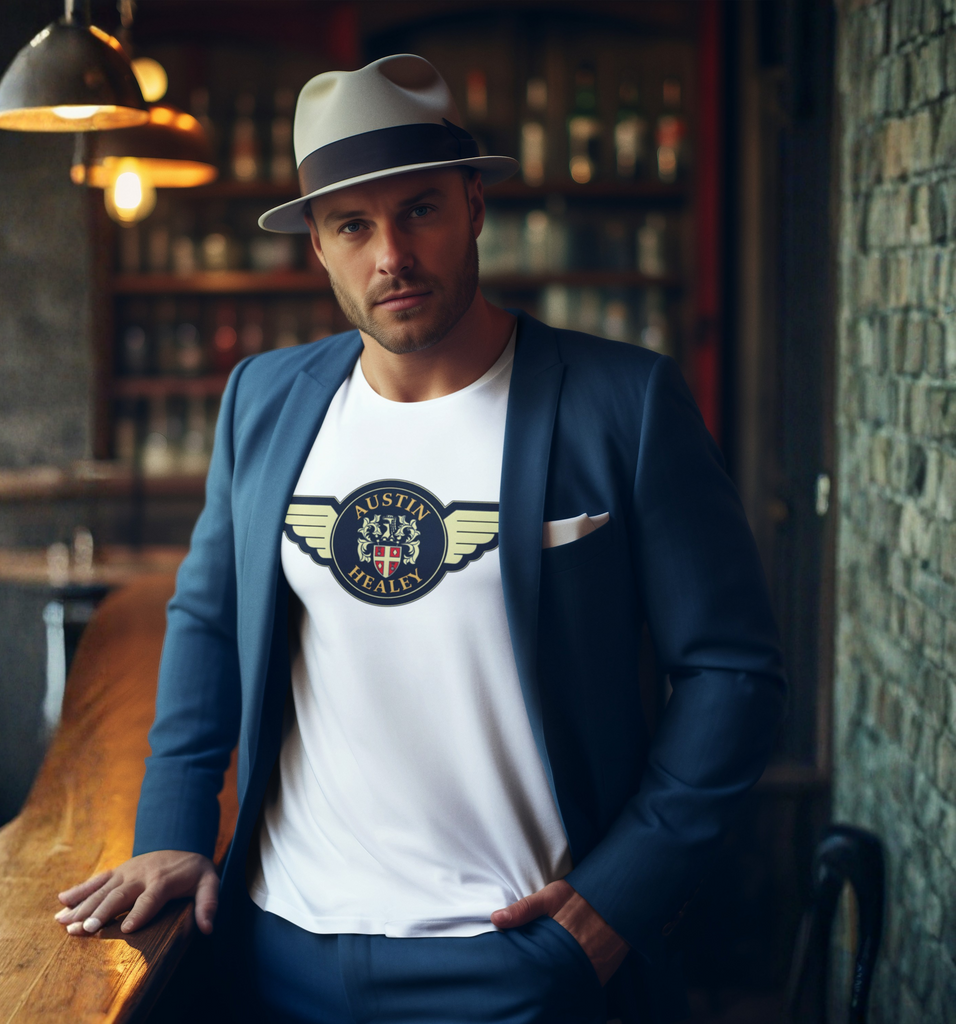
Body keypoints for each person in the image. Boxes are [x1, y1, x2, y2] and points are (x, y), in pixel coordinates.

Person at [54, 54, 785, 1024]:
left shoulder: (621, 401)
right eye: (353, 224)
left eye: (420, 210)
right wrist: (174, 829)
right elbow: (205, 617)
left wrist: (618, 900)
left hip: (520, 956)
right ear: (317, 244)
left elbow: (731, 670)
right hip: (278, 947)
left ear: (474, 206)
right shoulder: (266, 401)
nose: (390, 253)